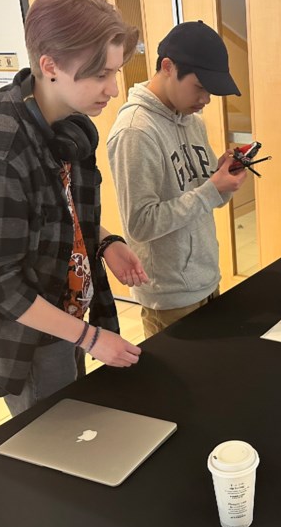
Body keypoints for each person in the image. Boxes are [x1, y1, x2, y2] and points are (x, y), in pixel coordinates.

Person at [0, 0, 150, 417]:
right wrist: (90, 338)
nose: (114, 89)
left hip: (66, 309)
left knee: (75, 417)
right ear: (49, 65)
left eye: (114, 72)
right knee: (53, 437)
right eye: (100, 74)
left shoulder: (67, 125)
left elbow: (58, 213)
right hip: (28, 332)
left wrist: (105, 242)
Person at [106, 21, 248, 338]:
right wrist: (211, 190)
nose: (206, 99)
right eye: (200, 88)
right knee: (181, 387)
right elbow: (140, 224)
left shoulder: (192, 121)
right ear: (168, 67)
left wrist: (224, 178)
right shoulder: (135, 131)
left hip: (207, 279)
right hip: (169, 297)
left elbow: (206, 196)